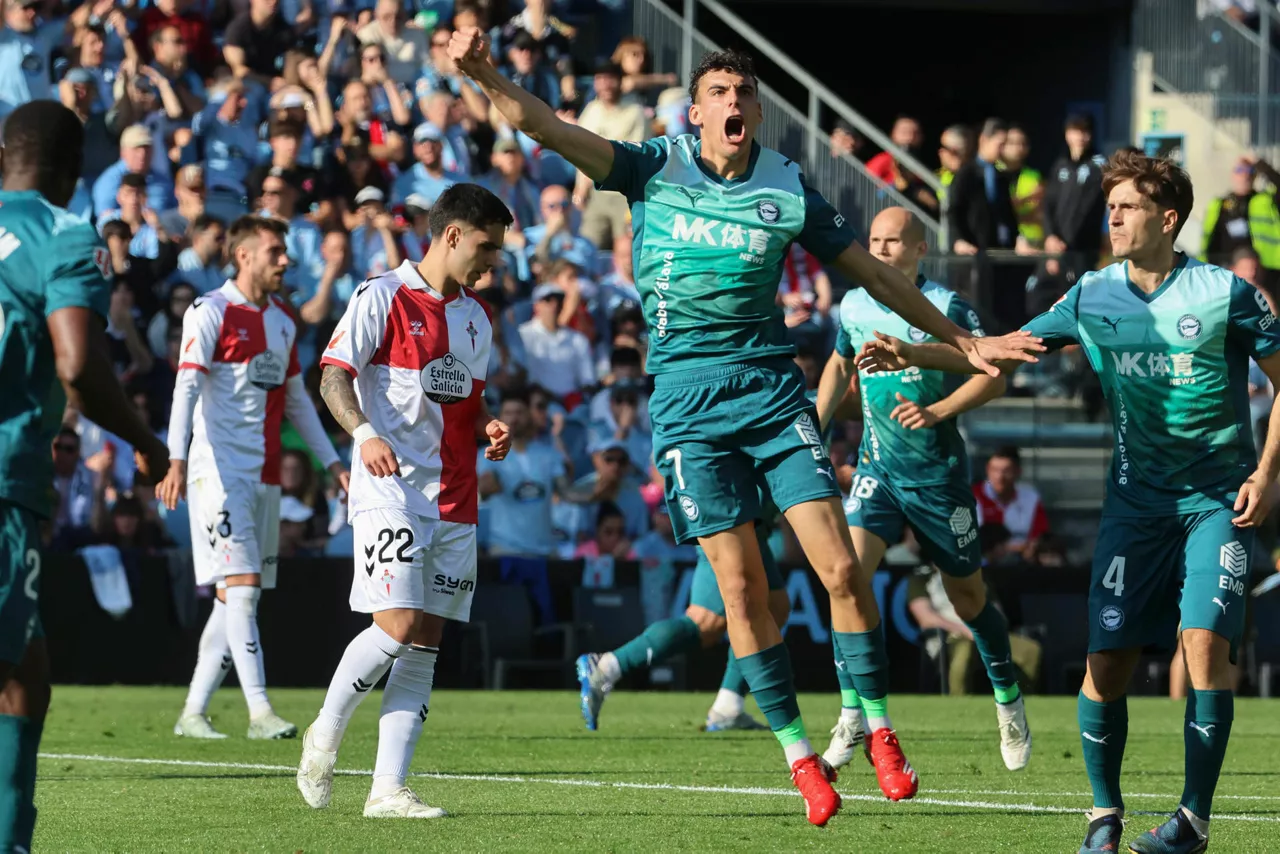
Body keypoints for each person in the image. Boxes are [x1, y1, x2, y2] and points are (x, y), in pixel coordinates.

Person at [448, 30, 1040, 823]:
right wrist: (484, 74)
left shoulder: (786, 185)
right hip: (687, 403)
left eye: (745, 95)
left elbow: (866, 271)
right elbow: (549, 128)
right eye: (719, 95)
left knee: (839, 569)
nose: (734, 104)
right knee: (737, 590)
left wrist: (961, 338)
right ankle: (800, 757)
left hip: (770, 390)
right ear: (695, 113)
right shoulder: (652, 167)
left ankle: (882, 731)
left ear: (757, 112)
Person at [855, 150, 1280, 854]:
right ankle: (1104, 815)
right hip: (1133, 507)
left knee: (1203, 645)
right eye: (1109, 203)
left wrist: (1267, 474)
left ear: (1168, 218)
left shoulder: (1225, 293)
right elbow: (1004, 347)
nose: (1111, 215)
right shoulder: (1091, 294)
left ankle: (1193, 820)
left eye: (1129, 205)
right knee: (1107, 664)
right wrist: (917, 354)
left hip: (1213, 502)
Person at [296, 184, 513, 819]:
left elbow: (462, 404)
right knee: (395, 627)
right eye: (486, 248)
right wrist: (363, 435)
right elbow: (333, 373)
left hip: (455, 496)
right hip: (388, 487)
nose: (491, 263)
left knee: (424, 642)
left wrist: (488, 426)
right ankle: (325, 734)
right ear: (452, 235)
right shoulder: (380, 296)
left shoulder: (476, 317)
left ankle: (387, 789)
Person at [0, 100, 169, 853]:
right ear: (75, 174)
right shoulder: (66, 233)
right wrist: (146, 441)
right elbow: (77, 366)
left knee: (26, 669)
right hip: (4, 478)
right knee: (10, 670)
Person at [814, 206, 1031, 774]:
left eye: (892, 242)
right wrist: (816, 426)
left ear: (918, 249)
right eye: (875, 240)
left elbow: (994, 375)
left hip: (936, 478)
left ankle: (1007, 697)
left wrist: (936, 410)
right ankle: (852, 715)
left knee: (970, 600)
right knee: (847, 581)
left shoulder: (948, 307)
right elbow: (839, 366)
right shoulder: (855, 302)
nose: (880, 251)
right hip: (876, 471)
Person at [158, 215, 349, 741]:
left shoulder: (283, 321)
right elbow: (186, 391)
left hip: (264, 475)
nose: (284, 261)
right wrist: (175, 459)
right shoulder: (210, 311)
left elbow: (297, 403)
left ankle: (193, 712)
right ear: (243, 256)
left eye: (285, 252)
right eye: (274, 252)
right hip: (217, 471)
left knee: (235, 597)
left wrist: (332, 463)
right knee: (241, 590)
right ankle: (260, 711)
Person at [576, 503, 792, 733]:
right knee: (705, 621)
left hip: (748, 521)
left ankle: (729, 706)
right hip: (730, 515)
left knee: (774, 606)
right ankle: (608, 666)